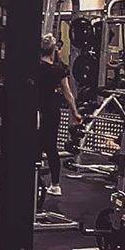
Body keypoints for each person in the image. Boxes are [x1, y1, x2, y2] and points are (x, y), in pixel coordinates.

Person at [39, 33, 82, 196]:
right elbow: (68, 93)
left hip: (35, 110)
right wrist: (75, 112)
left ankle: (33, 180)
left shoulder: (33, 67)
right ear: (54, 49)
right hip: (51, 110)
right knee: (51, 147)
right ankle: (56, 185)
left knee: (33, 145)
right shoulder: (58, 69)